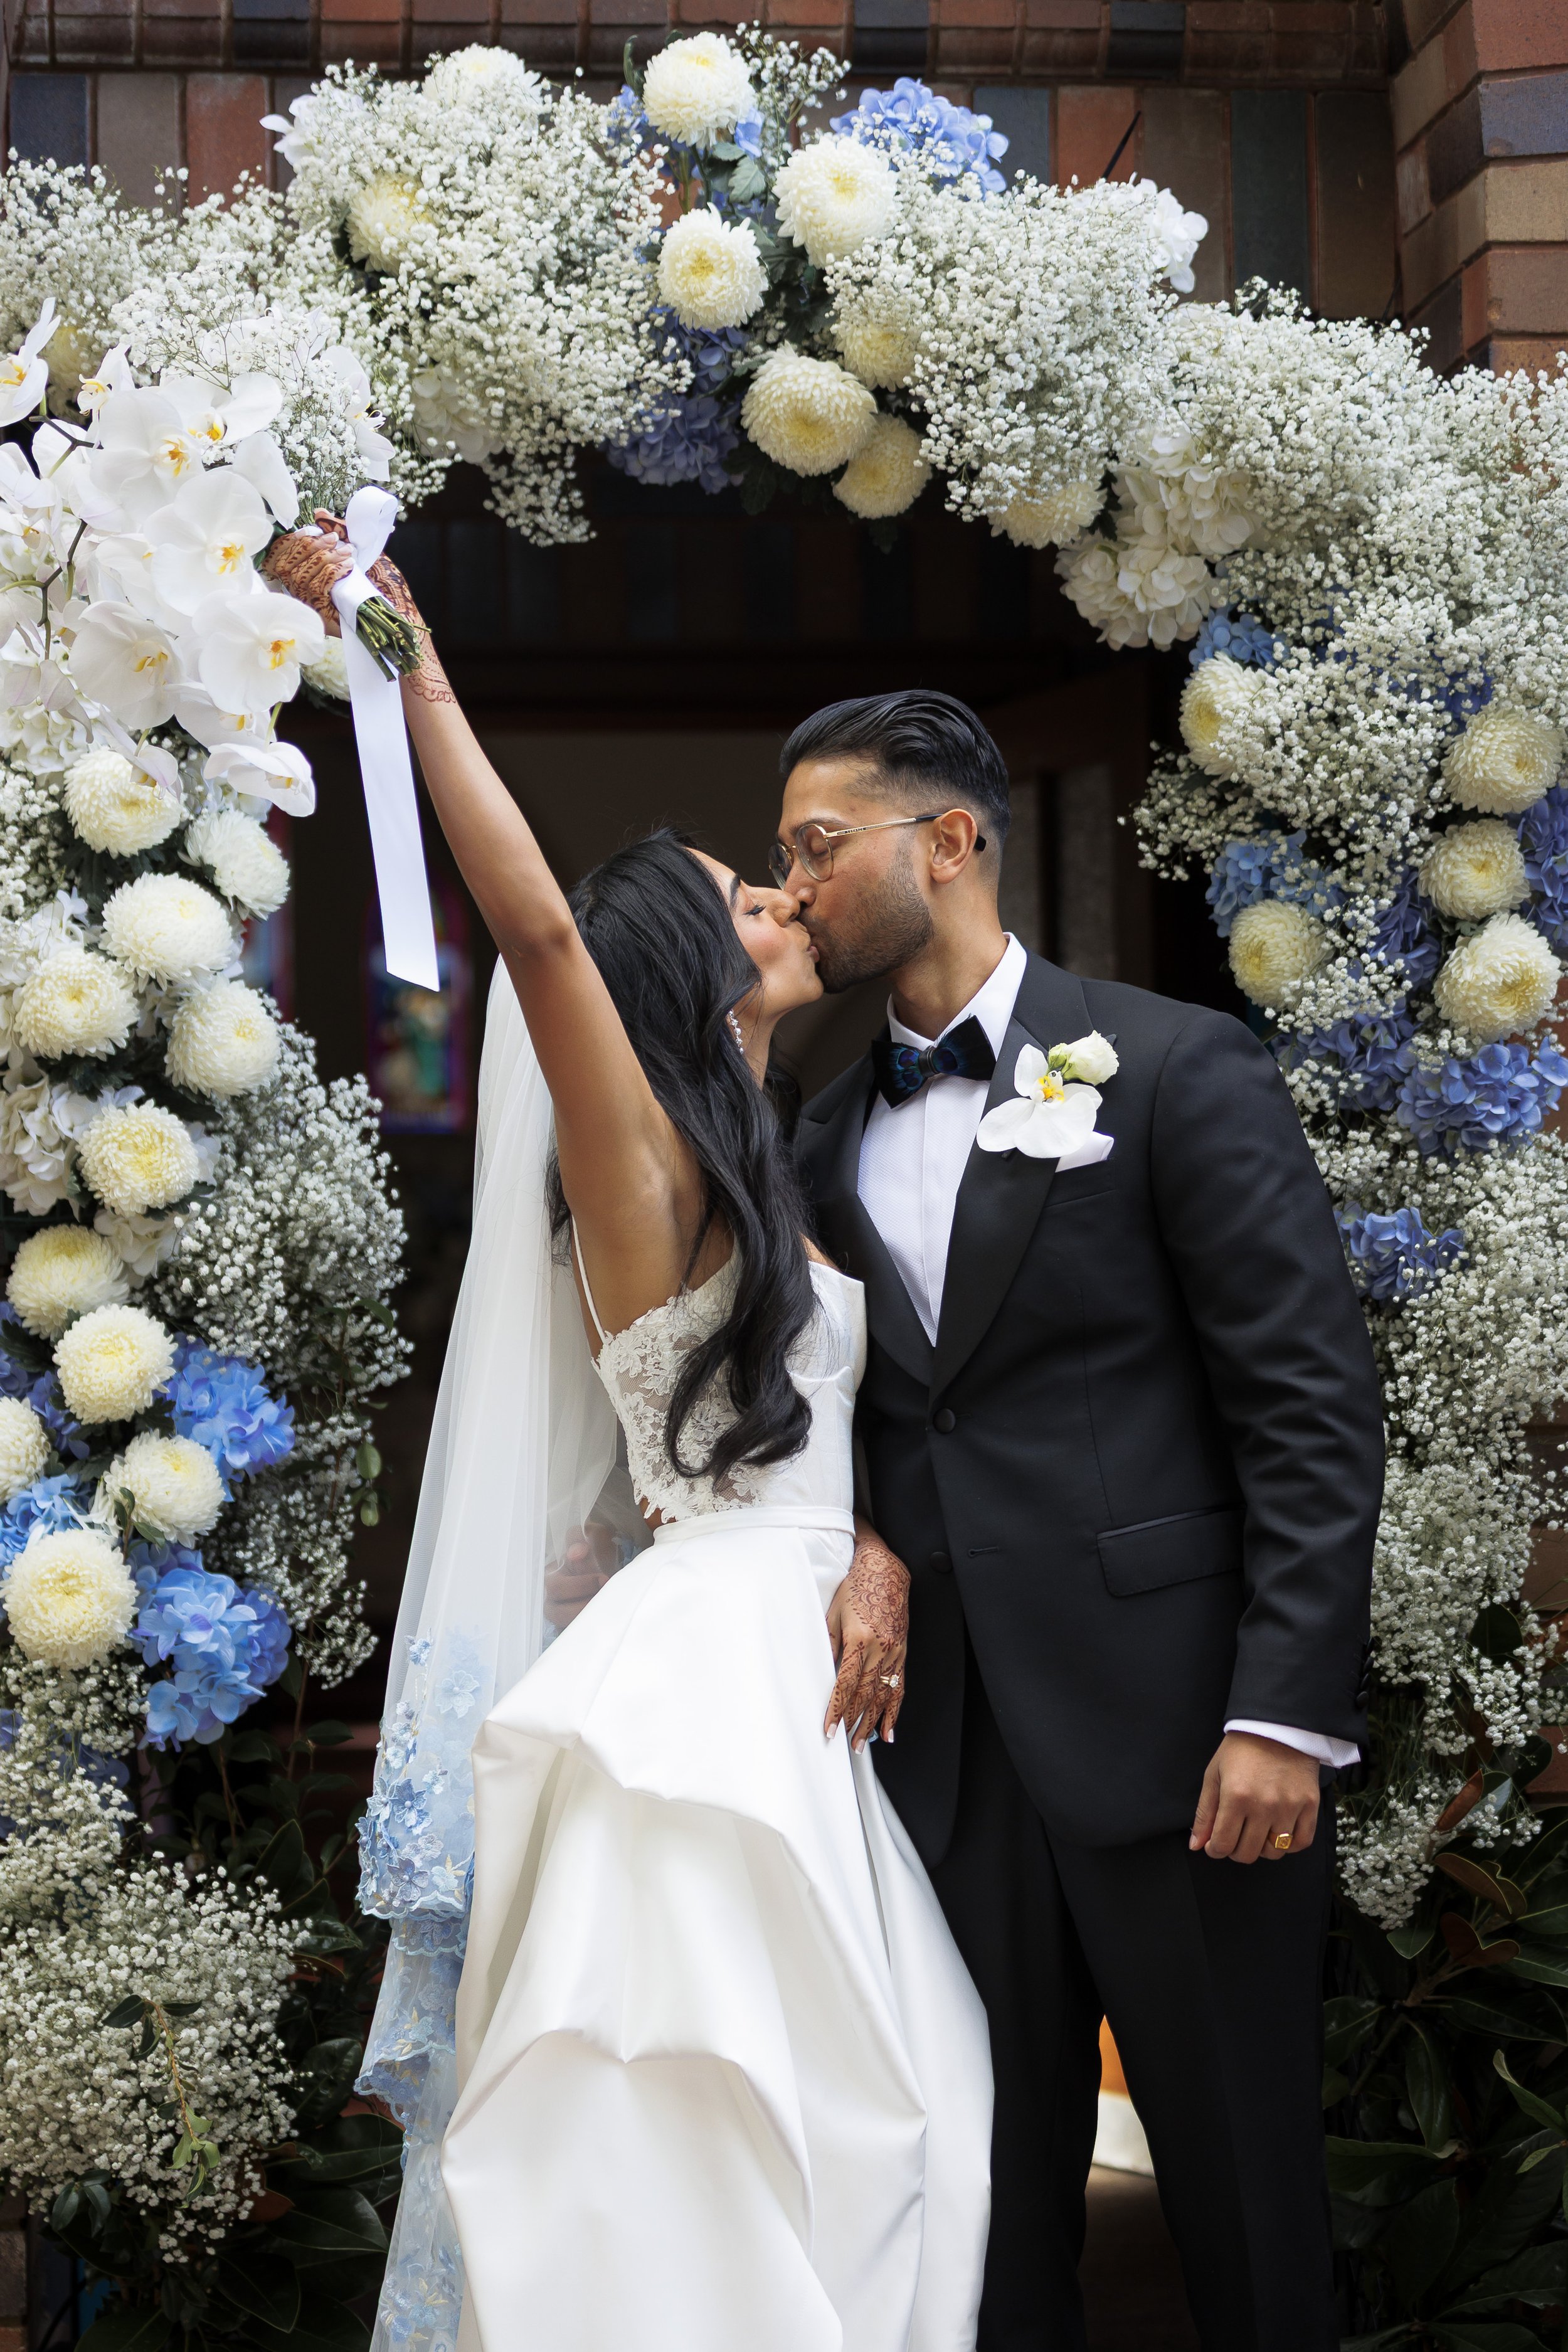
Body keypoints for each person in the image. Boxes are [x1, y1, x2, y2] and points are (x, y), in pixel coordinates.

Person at [269, 524, 993, 2352]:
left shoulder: (777, 1158)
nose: (787, 900)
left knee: (907, 2113)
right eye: (747, 894)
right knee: (698, 2111)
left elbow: (827, 1430)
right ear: (686, 967)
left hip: (802, 1664)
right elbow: (529, 923)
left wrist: (877, 1550)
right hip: (708, 1692)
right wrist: (402, 655)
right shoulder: (643, 1167)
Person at [778, 690, 1384, 2352]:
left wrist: (1278, 1710)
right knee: (981, 2201)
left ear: (951, 842)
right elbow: (880, 1417)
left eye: (819, 848)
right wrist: (878, 1550)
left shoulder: (1175, 1067)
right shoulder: (816, 1140)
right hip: (943, 1759)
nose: (800, 888)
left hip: (1186, 1738)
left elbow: (1310, 1408)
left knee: (1240, 2184)